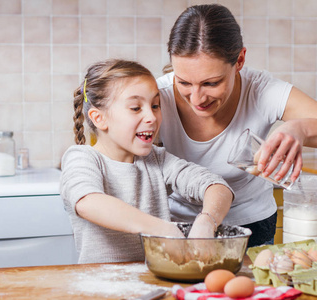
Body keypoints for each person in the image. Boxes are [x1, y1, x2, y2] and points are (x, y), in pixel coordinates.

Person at [157, 4, 317, 247]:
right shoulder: (157, 98)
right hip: (178, 226)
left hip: (251, 228)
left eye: (211, 83)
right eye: (183, 82)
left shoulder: (262, 90)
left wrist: (300, 129)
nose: (196, 98)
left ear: (239, 60)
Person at [60, 59, 234, 264]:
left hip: (153, 284)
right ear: (99, 118)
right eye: (135, 108)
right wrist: (162, 228)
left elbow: (217, 186)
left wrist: (207, 221)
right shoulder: (82, 158)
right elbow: (88, 201)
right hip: (100, 288)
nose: (151, 117)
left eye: (155, 105)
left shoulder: (157, 160)